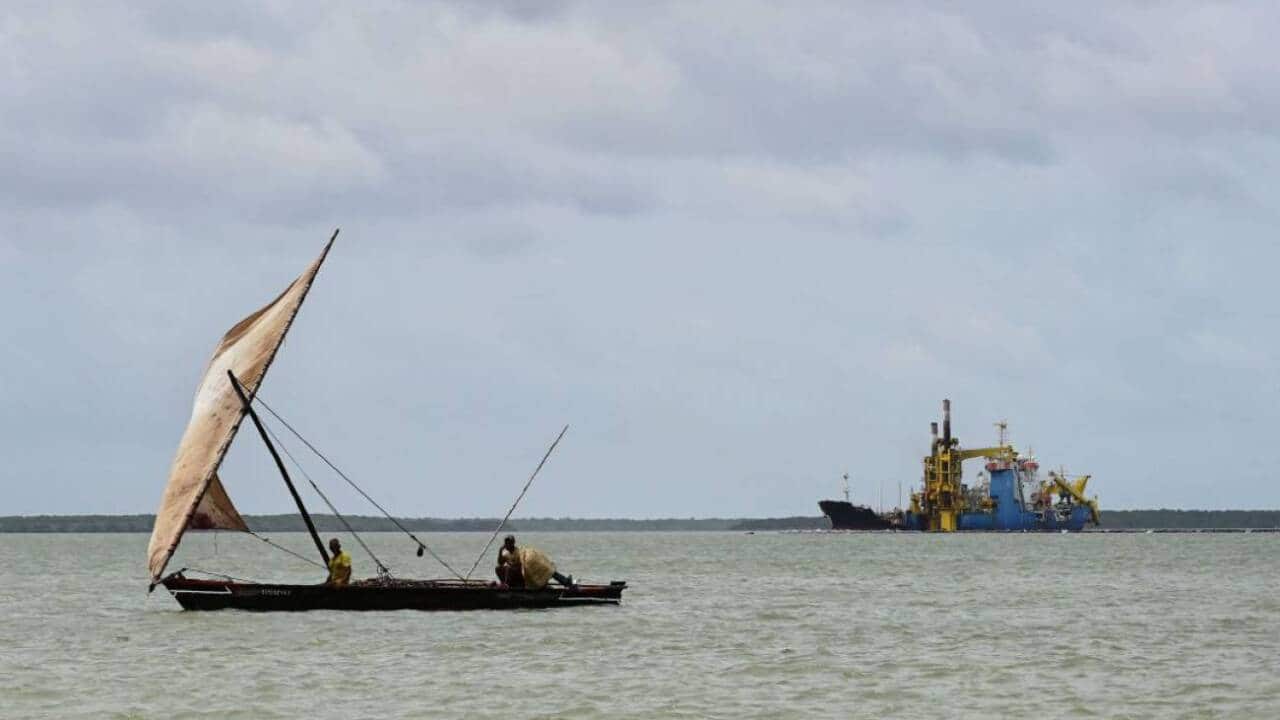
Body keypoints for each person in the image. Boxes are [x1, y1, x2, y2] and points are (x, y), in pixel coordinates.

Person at [494, 535, 574, 589]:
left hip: (525, 572)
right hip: (516, 574)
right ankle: (507, 585)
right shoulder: (505, 553)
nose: (507, 545)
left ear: (513, 543)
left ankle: (566, 581)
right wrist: (500, 551)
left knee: (549, 570)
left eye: (509, 543)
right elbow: (500, 563)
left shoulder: (518, 552)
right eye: (506, 543)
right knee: (498, 568)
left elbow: (522, 563)